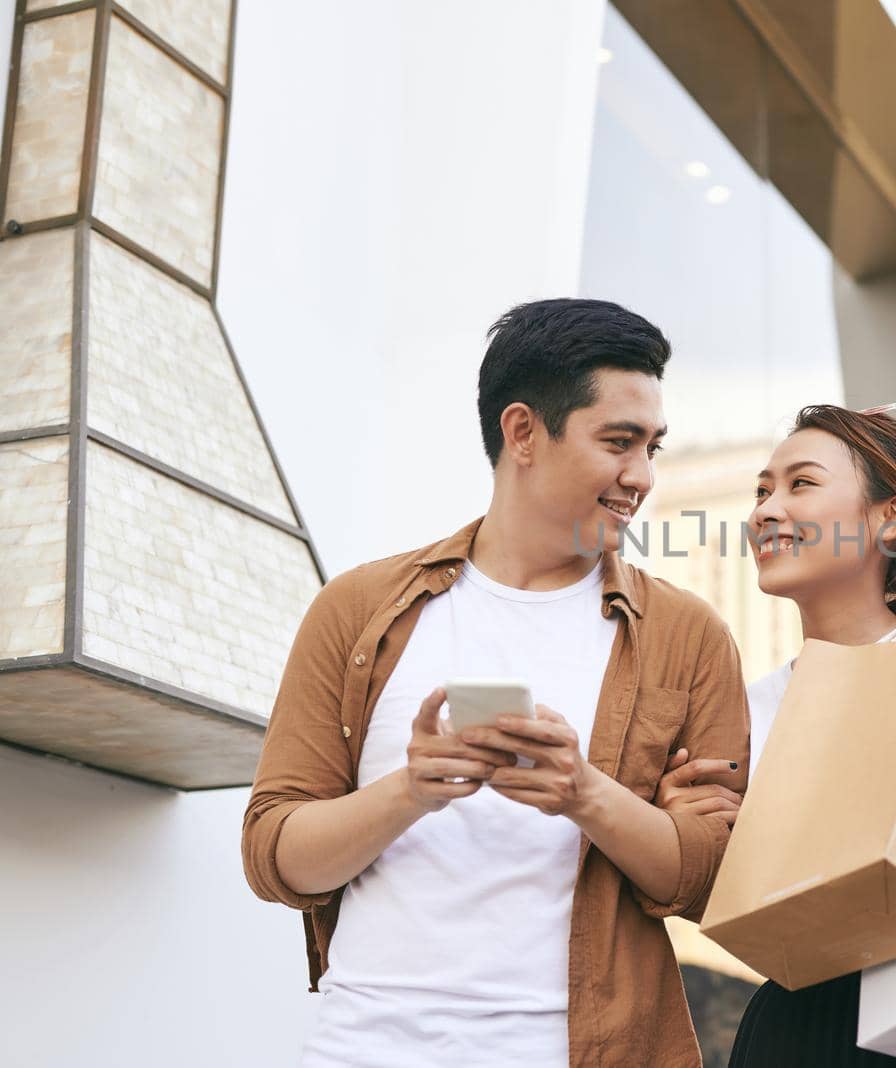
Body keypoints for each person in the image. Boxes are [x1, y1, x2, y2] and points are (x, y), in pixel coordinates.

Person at [242, 298, 749, 1068]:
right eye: (619, 441)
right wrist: (411, 790)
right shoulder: (358, 611)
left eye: (653, 447)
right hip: (365, 1047)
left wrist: (585, 793)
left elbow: (711, 882)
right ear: (522, 433)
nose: (642, 476)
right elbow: (275, 859)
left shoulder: (688, 638)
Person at [654, 403, 896, 1066]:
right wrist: (681, 831)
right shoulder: (745, 713)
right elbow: (739, 912)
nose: (766, 511)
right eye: (761, 491)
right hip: (804, 1027)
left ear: (891, 517)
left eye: (800, 484)